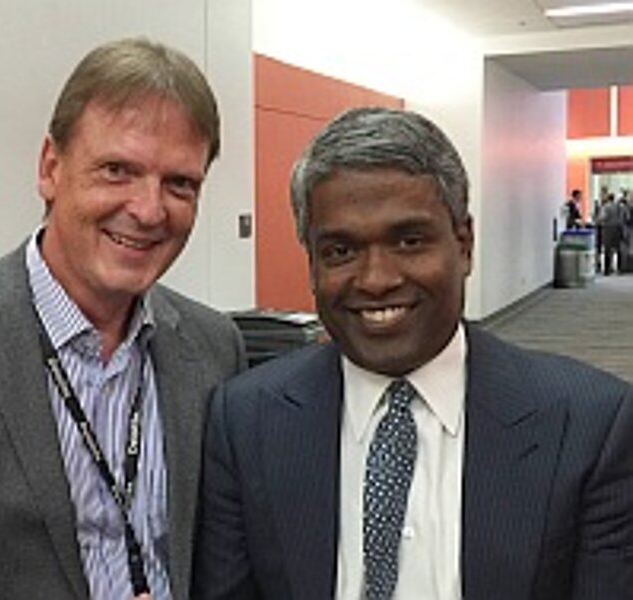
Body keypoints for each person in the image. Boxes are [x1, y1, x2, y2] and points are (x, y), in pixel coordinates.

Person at [0, 38, 245, 600]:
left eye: (180, 183)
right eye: (117, 170)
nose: (149, 209)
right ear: (50, 167)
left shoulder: (215, 347)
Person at [192, 107, 633, 599]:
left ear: (463, 245)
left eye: (409, 241)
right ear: (312, 263)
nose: (376, 279)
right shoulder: (244, 420)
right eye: (340, 251)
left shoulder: (590, 426)